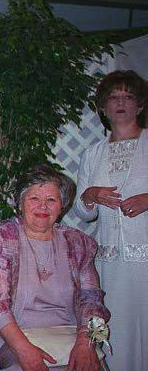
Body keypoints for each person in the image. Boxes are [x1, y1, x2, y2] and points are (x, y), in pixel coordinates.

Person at [0, 164, 110, 371]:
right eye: (34, 198)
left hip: (72, 336)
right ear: (20, 204)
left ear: (62, 206)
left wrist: (85, 341)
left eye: (51, 200)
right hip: (14, 337)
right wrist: (23, 349)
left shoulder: (78, 243)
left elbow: (92, 299)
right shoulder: (1, 237)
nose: (43, 207)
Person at [74, 70, 147, 370]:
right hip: (109, 264)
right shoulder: (92, 154)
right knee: (114, 335)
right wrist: (91, 194)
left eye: (128, 97)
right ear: (103, 107)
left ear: (140, 105)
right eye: (113, 97)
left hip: (145, 263)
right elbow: (84, 212)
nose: (120, 103)